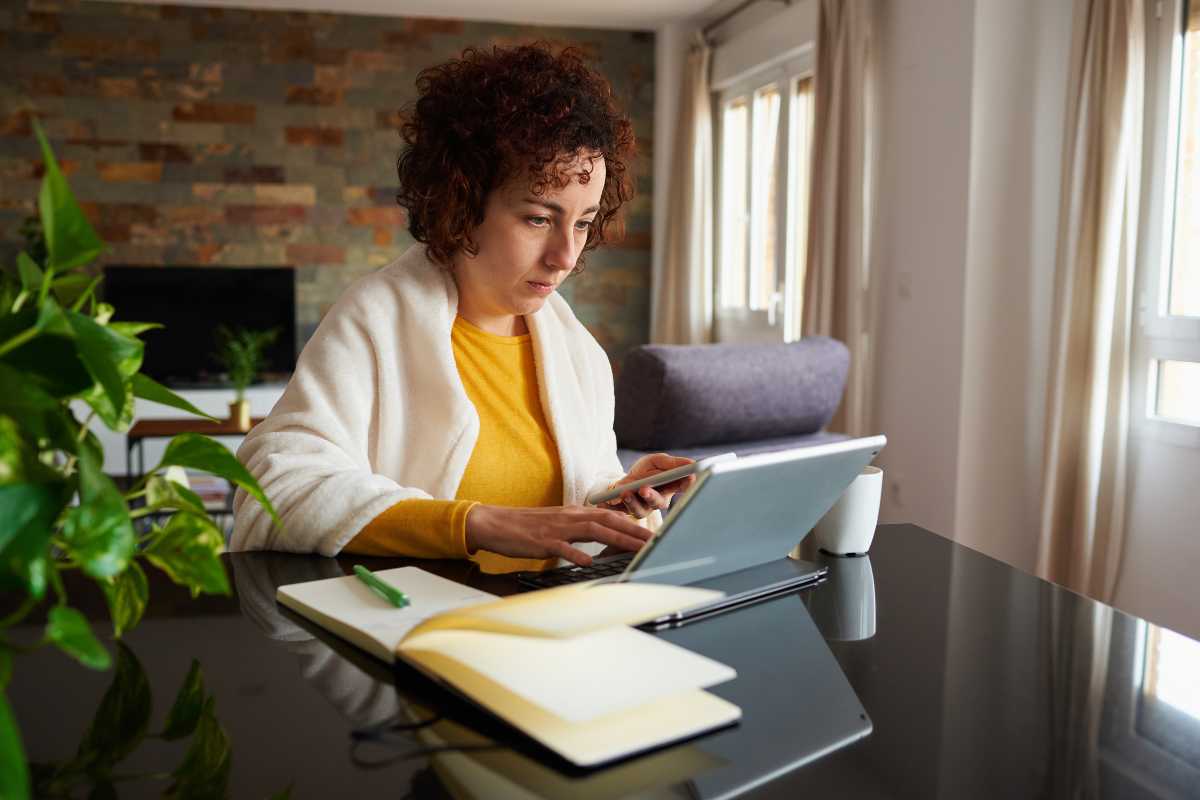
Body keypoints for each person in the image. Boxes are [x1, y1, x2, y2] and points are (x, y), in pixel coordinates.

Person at [231, 44, 695, 572]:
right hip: (420, 635)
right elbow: (276, 490)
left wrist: (615, 502)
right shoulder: (373, 321)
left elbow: (569, 507)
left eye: (583, 222)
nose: (566, 255)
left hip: (547, 634)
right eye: (539, 219)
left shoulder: (577, 353)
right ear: (462, 204)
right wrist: (476, 524)